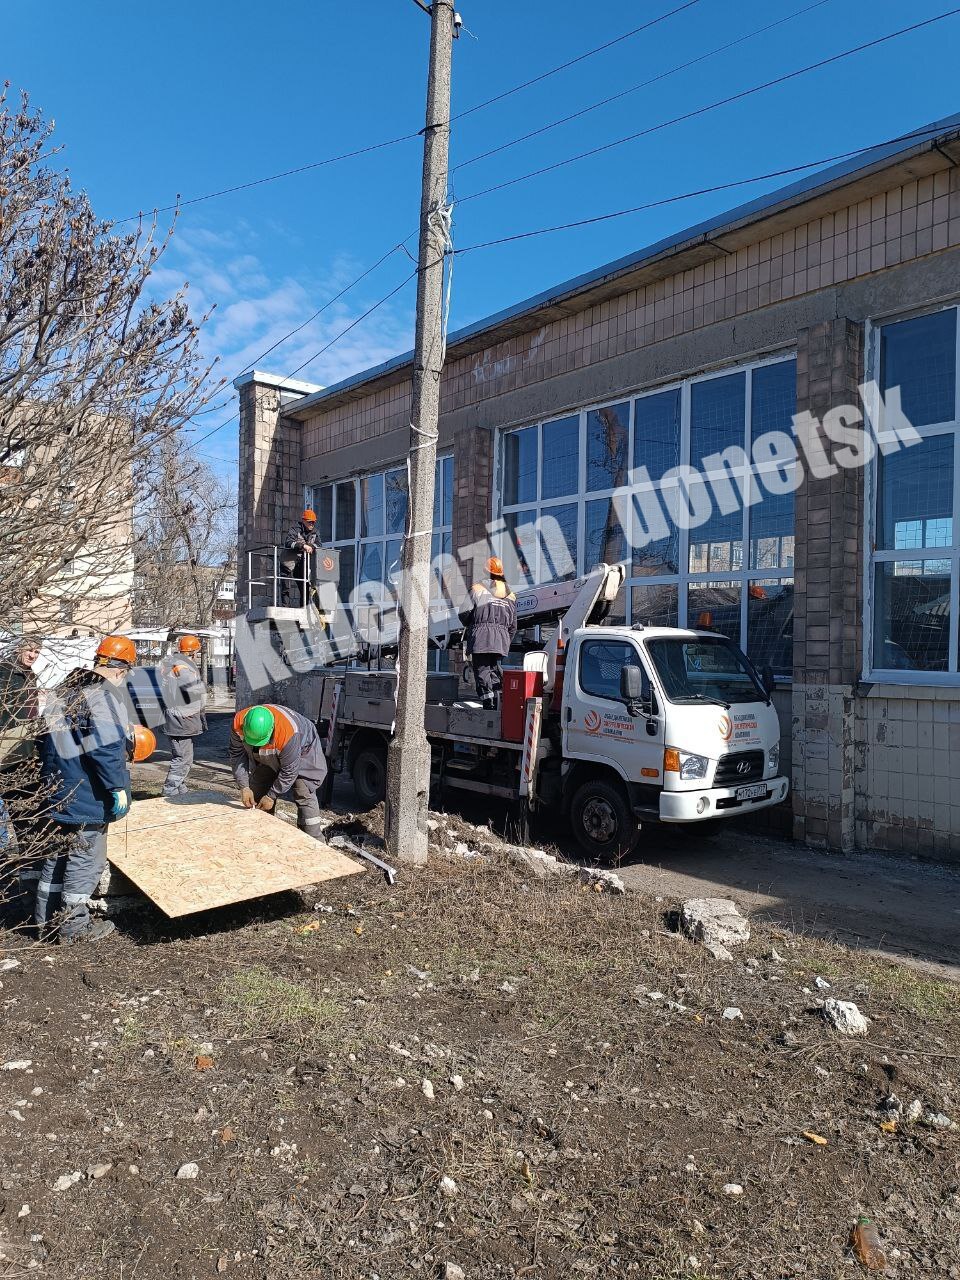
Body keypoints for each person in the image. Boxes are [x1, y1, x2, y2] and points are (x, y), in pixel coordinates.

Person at [34, 634, 135, 943]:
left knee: (56, 856)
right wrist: (117, 786)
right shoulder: (102, 697)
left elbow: (42, 741)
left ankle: (45, 922)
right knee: (84, 860)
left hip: (58, 790)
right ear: (121, 669)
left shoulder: (64, 691)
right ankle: (74, 929)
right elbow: (105, 748)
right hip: (87, 793)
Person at [0, 636, 48, 921]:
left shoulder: (28, 675)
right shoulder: (4, 674)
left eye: (37, 651)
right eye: (29, 649)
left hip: (24, 755)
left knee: (27, 820)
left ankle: (27, 883)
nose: (33, 654)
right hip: (7, 755)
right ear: (18, 648)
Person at [228, 703, 328, 839]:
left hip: (303, 750)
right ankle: (262, 834)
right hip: (272, 751)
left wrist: (271, 796)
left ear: (271, 730)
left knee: (303, 791)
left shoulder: (288, 733)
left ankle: (314, 839)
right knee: (257, 788)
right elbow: (237, 755)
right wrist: (244, 787)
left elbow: (289, 771)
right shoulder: (239, 722)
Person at [459, 556, 518, 710]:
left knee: (482, 670)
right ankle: (499, 701)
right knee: (494, 669)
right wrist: (505, 640)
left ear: (486, 572)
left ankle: (489, 704)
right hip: (501, 640)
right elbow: (513, 626)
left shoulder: (477, 589)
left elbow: (464, 614)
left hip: (481, 638)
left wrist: (472, 626)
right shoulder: (510, 594)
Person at [158, 634, 207, 796]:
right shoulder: (183, 669)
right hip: (181, 721)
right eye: (197, 652)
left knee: (185, 758)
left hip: (178, 719)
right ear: (193, 652)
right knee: (182, 759)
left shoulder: (175, 665)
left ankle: (181, 790)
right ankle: (170, 791)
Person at [279, 509, 318, 607]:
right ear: (303, 521)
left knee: (304, 587)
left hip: (301, 563)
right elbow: (288, 543)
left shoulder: (315, 532)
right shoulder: (295, 530)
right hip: (288, 562)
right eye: (310, 522)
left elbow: (318, 544)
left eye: (313, 522)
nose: (312, 524)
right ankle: (285, 607)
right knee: (285, 587)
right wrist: (302, 546)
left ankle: (303, 608)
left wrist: (311, 546)